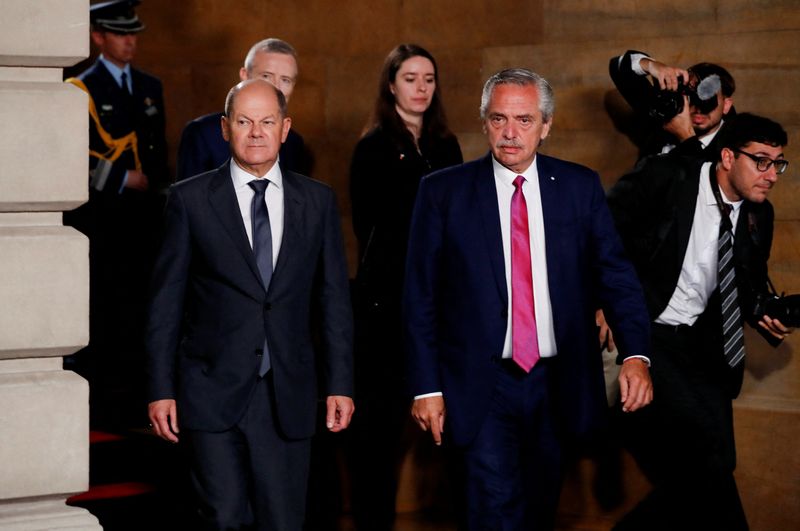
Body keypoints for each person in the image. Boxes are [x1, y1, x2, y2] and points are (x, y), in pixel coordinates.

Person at [404, 68, 653, 530]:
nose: (510, 133)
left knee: (539, 509)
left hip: (556, 382)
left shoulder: (579, 188)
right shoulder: (443, 192)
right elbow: (419, 296)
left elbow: (616, 276)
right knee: (492, 510)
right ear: (484, 123)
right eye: (498, 119)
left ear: (546, 125)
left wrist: (636, 354)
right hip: (481, 382)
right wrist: (426, 386)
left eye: (523, 120)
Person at [146, 79, 354, 531]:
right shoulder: (190, 200)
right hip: (209, 389)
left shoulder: (316, 202)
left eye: (267, 122)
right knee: (222, 517)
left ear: (285, 128)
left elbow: (333, 300)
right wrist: (161, 388)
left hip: (287, 393)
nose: (256, 132)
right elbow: (166, 302)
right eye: (244, 122)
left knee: (282, 521)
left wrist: (340, 383)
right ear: (225, 128)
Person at [606, 113, 793, 531]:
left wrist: (766, 311)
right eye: (761, 160)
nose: (771, 174)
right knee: (706, 467)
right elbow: (600, 230)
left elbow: (743, 283)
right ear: (728, 156)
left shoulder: (759, 216)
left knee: (715, 467)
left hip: (701, 348)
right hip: (648, 333)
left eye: (778, 163)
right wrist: (601, 301)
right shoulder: (669, 177)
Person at [347, 43, 462, 531]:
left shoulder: (446, 145)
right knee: (379, 437)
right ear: (391, 84)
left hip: (444, 307)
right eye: (410, 77)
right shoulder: (371, 147)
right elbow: (372, 229)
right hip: (385, 308)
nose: (420, 87)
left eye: (429, 78)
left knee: (454, 435)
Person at [63, 0, 168, 427]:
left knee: (142, 306)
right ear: (98, 36)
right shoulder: (79, 88)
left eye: (134, 33)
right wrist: (122, 180)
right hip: (104, 220)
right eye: (120, 33)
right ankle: (103, 400)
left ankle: (133, 397)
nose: (130, 41)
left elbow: (158, 150)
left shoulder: (149, 85)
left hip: (144, 220)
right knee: (106, 305)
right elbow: (73, 157)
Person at [176, 38, 309, 180]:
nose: (275, 87)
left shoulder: (294, 143)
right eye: (266, 76)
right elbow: (189, 197)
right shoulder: (202, 133)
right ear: (244, 76)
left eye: (285, 80)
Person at [609, 50, 735, 161]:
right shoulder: (666, 113)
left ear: (726, 105)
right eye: (692, 96)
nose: (699, 108)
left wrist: (686, 137)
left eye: (708, 99)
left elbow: (700, 182)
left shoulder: (737, 147)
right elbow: (618, 67)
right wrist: (652, 66)